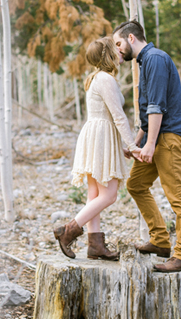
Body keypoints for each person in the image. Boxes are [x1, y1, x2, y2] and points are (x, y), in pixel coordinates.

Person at [112, 20, 181, 273]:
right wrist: (137, 142)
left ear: (130, 38)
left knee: (178, 197)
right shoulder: (144, 61)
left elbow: (157, 106)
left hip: (169, 137)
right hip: (156, 136)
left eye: (118, 43)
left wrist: (149, 144)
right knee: (135, 184)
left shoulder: (156, 58)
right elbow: (148, 112)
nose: (117, 50)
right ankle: (160, 240)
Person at [53, 37, 143, 261]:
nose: (121, 53)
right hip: (100, 136)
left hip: (96, 134)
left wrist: (122, 143)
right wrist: (132, 145)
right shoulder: (105, 79)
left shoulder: (96, 78)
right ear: (108, 56)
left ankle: (95, 245)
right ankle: (69, 230)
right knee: (109, 195)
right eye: (116, 50)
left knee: (94, 195)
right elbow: (118, 116)